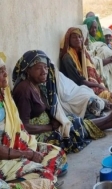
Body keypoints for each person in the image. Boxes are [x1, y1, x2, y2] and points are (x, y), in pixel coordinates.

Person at [12, 50, 112, 154]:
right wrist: (50, 127)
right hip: (37, 136)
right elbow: (25, 127)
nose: (44, 72)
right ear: (28, 70)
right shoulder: (24, 90)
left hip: (47, 126)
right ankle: (111, 120)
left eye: (46, 68)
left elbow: (48, 107)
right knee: (71, 129)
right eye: (39, 68)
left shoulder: (37, 85)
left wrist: (56, 119)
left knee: (71, 120)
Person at [0, 54, 66, 188]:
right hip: (4, 157)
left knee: (58, 153)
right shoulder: (24, 89)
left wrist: (28, 147)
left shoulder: (4, 95)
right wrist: (27, 154)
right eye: (0, 72)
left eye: (4, 70)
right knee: (43, 174)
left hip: (17, 145)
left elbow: (19, 128)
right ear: (28, 71)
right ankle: (39, 179)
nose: (5, 74)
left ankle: (41, 179)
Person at [59, 27, 112, 110]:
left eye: (79, 37)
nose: (78, 39)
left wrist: (98, 83)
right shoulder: (67, 58)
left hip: (83, 83)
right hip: (74, 88)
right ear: (68, 40)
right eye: (74, 37)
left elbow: (90, 69)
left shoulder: (81, 53)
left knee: (101, 88)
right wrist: (97, 84)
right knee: (98, 91)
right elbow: (79, 81)